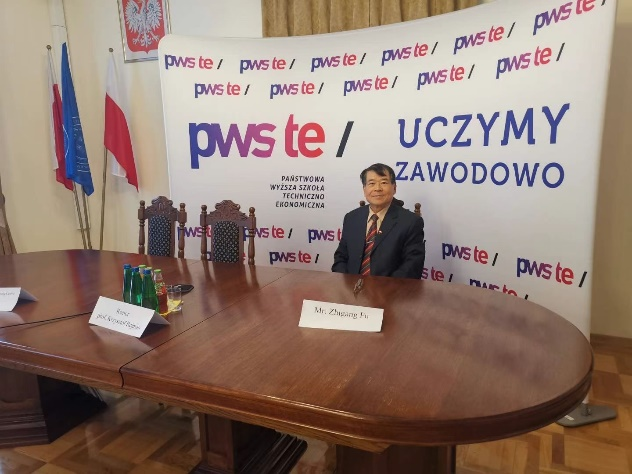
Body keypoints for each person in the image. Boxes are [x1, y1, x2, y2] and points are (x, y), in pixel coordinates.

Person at [332, 163, 425, 279]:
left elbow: (412, 267)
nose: (377, 188)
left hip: (390, 288)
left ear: (394, 188)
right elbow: (341, 257)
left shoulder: (411, 222)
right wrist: (348, 283)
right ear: (364, 189)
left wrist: (382, 288)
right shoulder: (351, 218)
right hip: (351, 287)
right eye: (371, 183)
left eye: (384, 182)